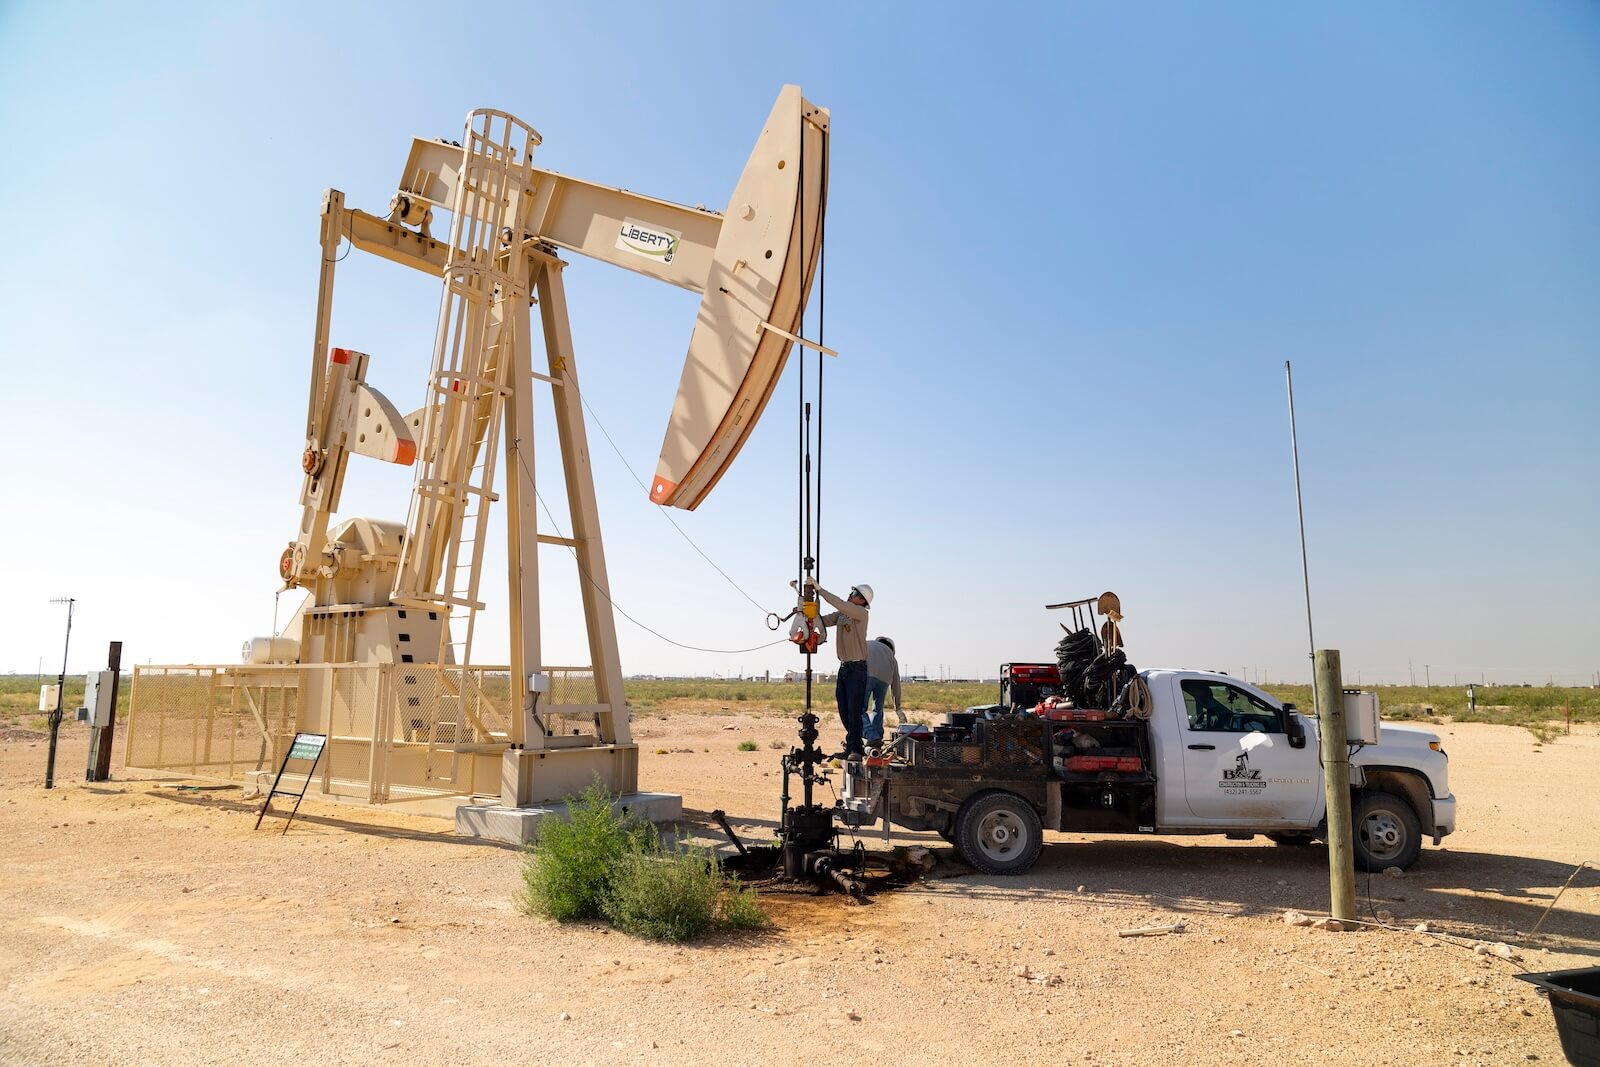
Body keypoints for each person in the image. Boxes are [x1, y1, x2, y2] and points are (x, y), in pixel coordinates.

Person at [814, 581, 873, 758]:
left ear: (862, 600)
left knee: (854, 710)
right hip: (845, 667)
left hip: (857, 668)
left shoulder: (860, 613)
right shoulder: (842, 614)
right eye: (852, 591)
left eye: (855, 593)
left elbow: (839, 603)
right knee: (844, 708)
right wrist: (805, 611)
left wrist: (821, 590)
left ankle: (855, 749)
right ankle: (852, 745)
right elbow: (822, 621)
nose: (851, 594)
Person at [865, 635, 904, 750]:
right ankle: (876, 740)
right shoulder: (891, 656)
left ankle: (872, 736)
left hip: (867, 675)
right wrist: (898, 708)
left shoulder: (869, 644)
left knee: (859, 709)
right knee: (878, 709)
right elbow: (896, 683)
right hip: (884, 679)